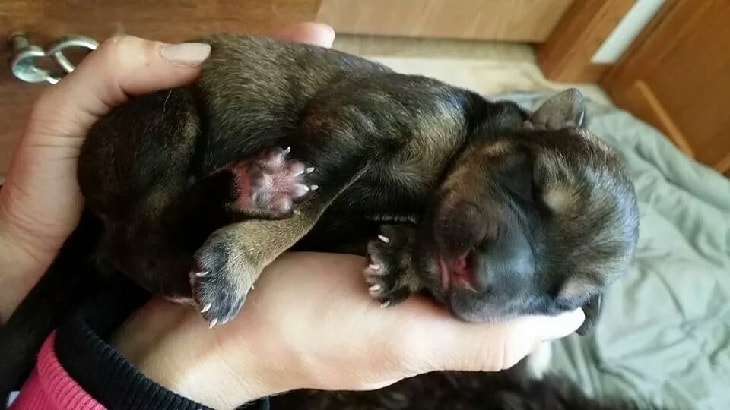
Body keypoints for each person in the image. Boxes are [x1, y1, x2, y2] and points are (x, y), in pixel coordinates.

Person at [0, 22, 585, 410]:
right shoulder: (442, 121)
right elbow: (343, 132)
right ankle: (183, 234)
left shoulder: (442, 211)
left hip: (173, 238)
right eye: (530, 190)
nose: (502, 267)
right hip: (183, 132)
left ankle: (200, 223)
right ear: (532, 128)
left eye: (554, 290)